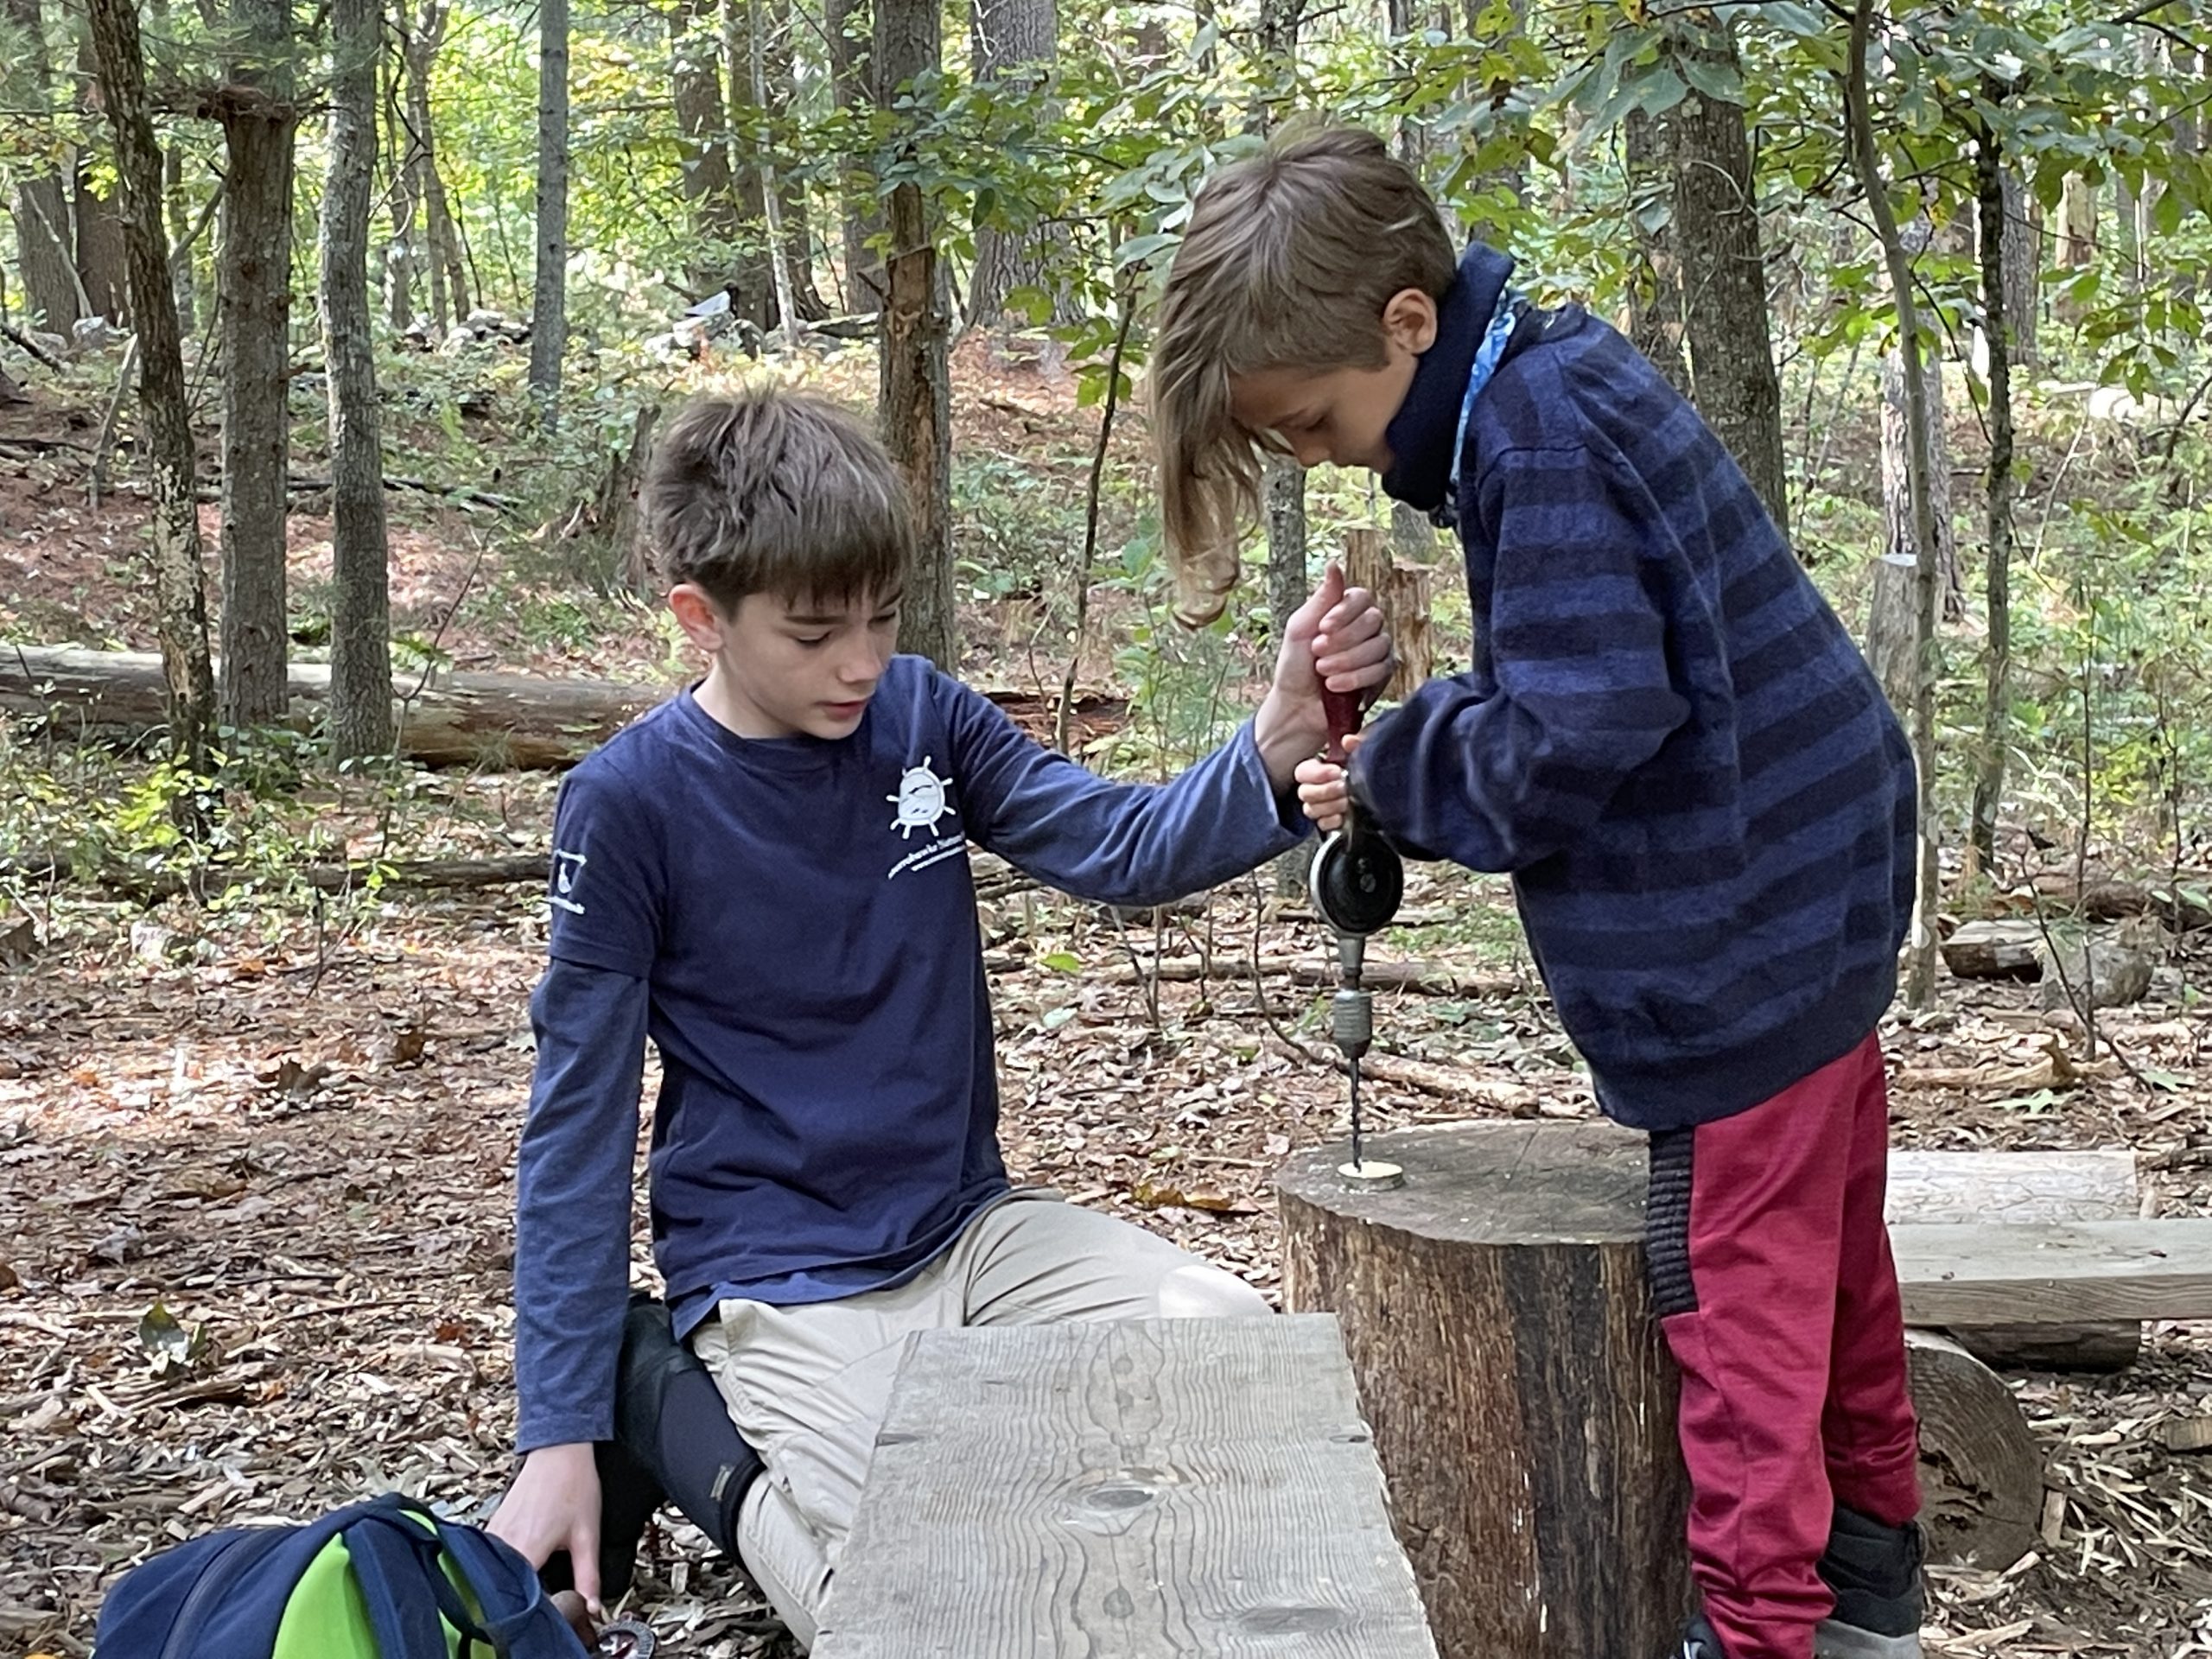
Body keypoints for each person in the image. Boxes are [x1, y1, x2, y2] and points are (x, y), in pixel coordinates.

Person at [1147, 124, 1926, 1659]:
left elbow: (1583, 726)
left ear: (1405, 324)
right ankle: (1878, 1582)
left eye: (1312, 420)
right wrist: (1421, 739)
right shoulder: (1546, 380)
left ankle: (1768, 1631)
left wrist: (1405, 763)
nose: (1316, 455)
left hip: (1741, 945)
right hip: (1814, 885)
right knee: (1835, 1273)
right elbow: (1609, 678)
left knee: (1738, 1317)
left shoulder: (1532, 436)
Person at [486, 385, 1392, 1646]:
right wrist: (557, 1428)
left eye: (882, 616)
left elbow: (1116, 843)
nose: (860, 659)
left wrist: (1272, 743)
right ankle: (671, 1412)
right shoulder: (629, 804)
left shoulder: (920, 718)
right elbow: (574, 1123)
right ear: (702, 618)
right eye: (812, 633)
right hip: (780, 1271)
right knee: (914, 1602)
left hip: (967, 1231)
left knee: (1242, 1362)